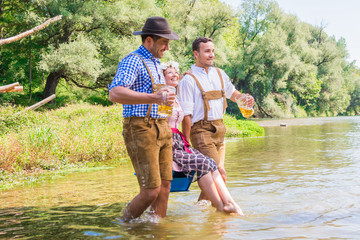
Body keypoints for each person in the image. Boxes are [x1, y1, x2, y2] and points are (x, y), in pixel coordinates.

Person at [108, 17, 179, 222]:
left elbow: (158, 96)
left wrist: (165, 100)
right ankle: (123, 225)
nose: (166, 47)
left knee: (165, 187)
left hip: (162, 127)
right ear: (148, 41)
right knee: (150, 190)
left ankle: (156, 231)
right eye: (164, 42)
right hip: (140, 127)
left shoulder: (156, 63)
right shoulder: (133, 60)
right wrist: (154, 98)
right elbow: (115, 93)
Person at [160, 61, 243, 215]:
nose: (174, 75)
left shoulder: (175, 96)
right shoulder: (164, 96)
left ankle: (223, 205)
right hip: (167, 142)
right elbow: (160, 120)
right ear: (161, 77)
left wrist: (185, 142)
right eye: (169, 73)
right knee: (206, 162)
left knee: (210, 163)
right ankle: (222, 205)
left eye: (176, 72)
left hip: (178, 141)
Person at [177, 37, 255, 196]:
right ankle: (223, 209)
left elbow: (233, 94)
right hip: (200, 132)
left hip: (220, 129)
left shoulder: (220, 73)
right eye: (207, 51)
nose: (211, 55)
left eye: (212, 51)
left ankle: (205, 211)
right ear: (196, 54)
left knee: (214, 176)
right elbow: (186, 116)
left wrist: (244, 98)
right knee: (219, 173)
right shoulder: (187, 80)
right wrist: (185, 144)